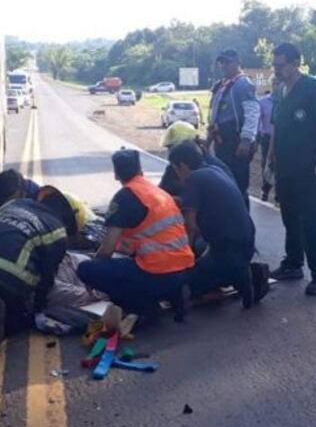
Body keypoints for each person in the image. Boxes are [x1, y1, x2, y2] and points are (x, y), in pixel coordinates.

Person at [0, 186, 86, 356]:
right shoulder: (57, 231)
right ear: (70, 222)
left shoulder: (14, 204)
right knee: (18, 321)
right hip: (10, 286)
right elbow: (46, 281)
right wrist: (37, 309)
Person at [77, 149, 195, 320]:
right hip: (184, 266)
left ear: (116, 174)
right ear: (140, 170)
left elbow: (106, 251)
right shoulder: (156, 192)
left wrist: (94, 261)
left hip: (158, 271)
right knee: (131, 265)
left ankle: (142, 308)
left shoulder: (125, 197)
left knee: (87, 269)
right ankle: (173, 294)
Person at [266, 43, 316, 296]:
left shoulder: (313, 88)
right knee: (290, 218)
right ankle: (293, 264)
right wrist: (270, 162)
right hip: (286, 167)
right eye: (274, 65)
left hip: (308, 167)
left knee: (313, 221)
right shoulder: (279, 91)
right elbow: (277, 127)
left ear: (296, 63)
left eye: (280, 65)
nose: (276, 69)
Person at [168, 140, 270, 308]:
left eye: (176, 169)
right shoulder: (214, 169)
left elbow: (190, 226)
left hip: (226, 250)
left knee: (184, 284)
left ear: (183, 165)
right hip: (245, 241)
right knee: (205, 255)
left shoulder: (193, 180)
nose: (177, 174)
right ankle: (239, 271)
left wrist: (183, 257)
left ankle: (246, 275)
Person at [208, 49, 259, 207]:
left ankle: (243, 225)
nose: (223, 66)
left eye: (227, 62)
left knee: (238, 187)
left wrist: (246, 140)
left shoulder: (243, 84)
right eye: (221, 63)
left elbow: (252, 112)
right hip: (221, 141)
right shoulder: (221, 86)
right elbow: (214, 116)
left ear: (237, 63)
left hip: (235, 141)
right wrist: (208, 139)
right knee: (224, 185)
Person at [158, 121, 235, 198]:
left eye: (173, 147)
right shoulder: (176, 166)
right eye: (169, 148)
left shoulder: (211, 167)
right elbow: (161, 190)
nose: (171, 152)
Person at [0, 169, 41, 234]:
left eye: (11, 202)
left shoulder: (36, 197)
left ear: (23, 193)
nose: (7, 206)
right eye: (3, 201)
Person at [257, 89, 274, 201]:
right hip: (267, 137)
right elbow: (258, 120)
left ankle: (280, 193)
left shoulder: (286, 99)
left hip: (283, 137)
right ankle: (265, 189)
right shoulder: (263, 102)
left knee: (281, 164)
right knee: (267, 163)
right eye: (275, 83)